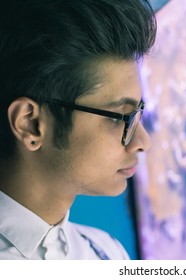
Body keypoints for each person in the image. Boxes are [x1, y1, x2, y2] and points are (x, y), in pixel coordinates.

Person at [0, 0, 157, 260]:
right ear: (30, 124)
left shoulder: (106, 252)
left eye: (137, 113)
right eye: (119, 117)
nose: (142, 141)